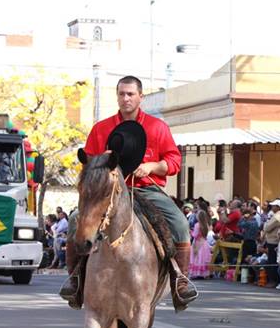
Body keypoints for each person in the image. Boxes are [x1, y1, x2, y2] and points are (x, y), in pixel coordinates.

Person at [60, 76, 197, 310]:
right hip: (108, 192)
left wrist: (152, 166)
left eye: (131, 94)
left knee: (180, 223)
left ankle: (180, 281)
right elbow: (89, 163)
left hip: (145, 188)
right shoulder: (101, 128)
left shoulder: (157, 126)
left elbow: (173, 160)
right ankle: (75, 279)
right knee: (75, 220)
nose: (126, 98)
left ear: (140, 97)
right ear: (117, 96)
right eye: (122, 94)